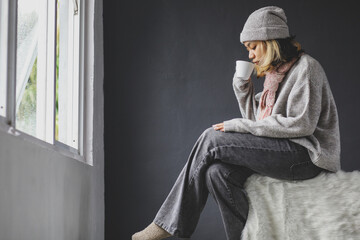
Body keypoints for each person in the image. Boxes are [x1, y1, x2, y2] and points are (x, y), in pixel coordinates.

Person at [132, 5, 340, 240]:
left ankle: (167, 225)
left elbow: (302, 125)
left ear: (270, 40)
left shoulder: (307, 68)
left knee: (212, 139)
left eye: (253, 47)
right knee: (216, 172)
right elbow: (258, 125)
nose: (250, 55)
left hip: (306, 157)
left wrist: (238, 125)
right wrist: (243, 88)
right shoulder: (276, 76)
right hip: (286, 152)